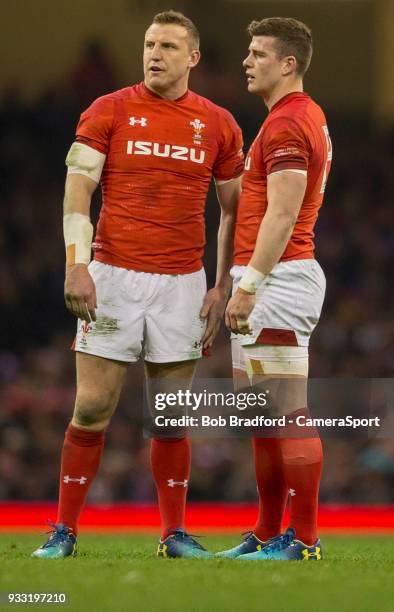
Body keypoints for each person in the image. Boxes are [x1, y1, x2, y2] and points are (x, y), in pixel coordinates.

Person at [32, 10, 243, 559]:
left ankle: (173, 535)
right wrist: (77, 264)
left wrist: (223, 286)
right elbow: (77, 192)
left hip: (181, 284)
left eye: (169, 46)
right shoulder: (109, 109)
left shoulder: (219, 123)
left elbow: (234, 213)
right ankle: (64, 532)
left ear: (193, 57)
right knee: (93, 407)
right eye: (150, 44)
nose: (155, 54)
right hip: (114, 275)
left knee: (171, 418)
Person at [218, 17, 332, 560]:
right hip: (265, 276)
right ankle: (267, 532)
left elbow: (283, 214)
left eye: (258, 53)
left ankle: (305, 539)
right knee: (263, 417)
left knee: (288, 414)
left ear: (289, 63)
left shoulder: (289, 124)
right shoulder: (289, 119)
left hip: (279, 278)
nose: (247, 61)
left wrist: (251, 286)